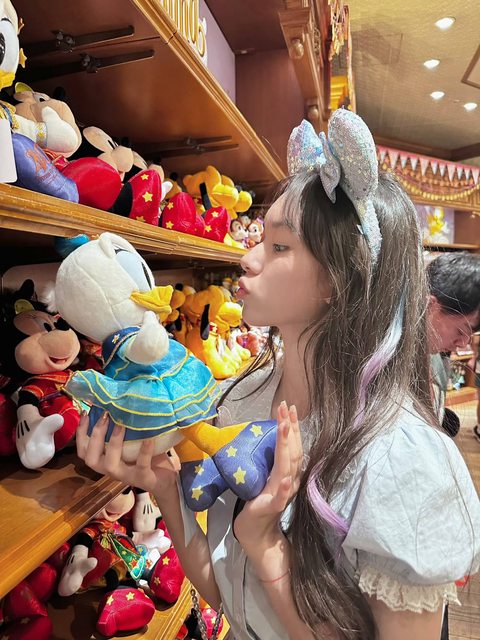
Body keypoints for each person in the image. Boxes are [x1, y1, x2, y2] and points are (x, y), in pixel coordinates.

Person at [76, 110, 480, 640]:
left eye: (279, 246)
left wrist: (267, 546)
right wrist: (166, 491)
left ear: (341, 277)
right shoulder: (240, 397)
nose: (247, 259)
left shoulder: (404, 464)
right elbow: (228, 596)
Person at [427, 252, 480, 426]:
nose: (463, 343)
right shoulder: (383, 358)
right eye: (461, 331)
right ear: (430, 306)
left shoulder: (436, 358)